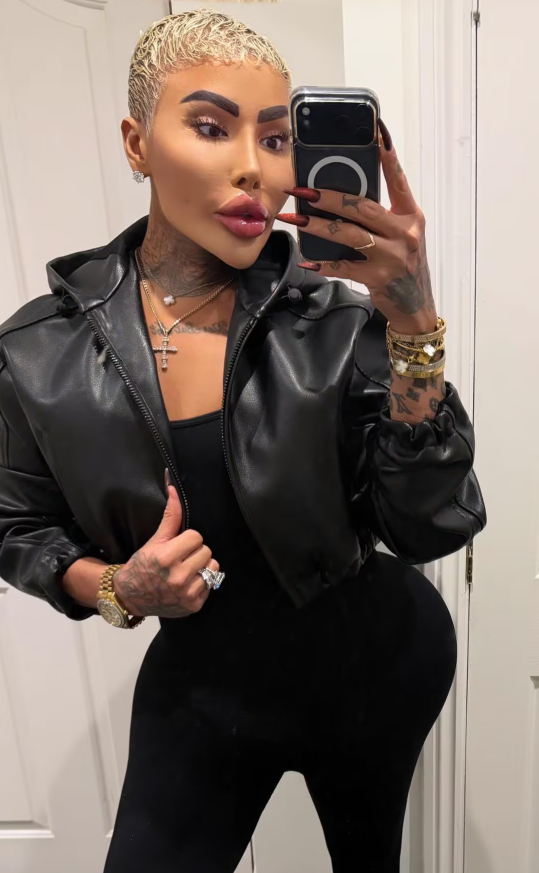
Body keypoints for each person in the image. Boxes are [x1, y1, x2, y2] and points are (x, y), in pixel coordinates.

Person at [0, 8, 485, 873]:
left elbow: (424, 526)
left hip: (377, 661)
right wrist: (116, 585)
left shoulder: (336, 320)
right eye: (209, 126)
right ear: (137, 143)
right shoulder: (39, 351)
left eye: (274, 138)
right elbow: (16, 526)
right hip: (204, 687)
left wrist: (412, 322)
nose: (252, 169)